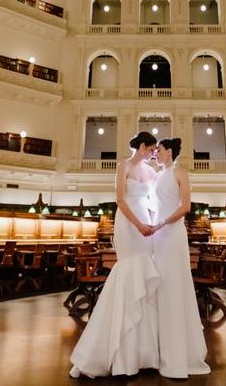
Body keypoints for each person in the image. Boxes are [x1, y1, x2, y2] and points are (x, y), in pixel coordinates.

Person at [70, 132, 161, 377]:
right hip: (128, 225)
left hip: (146, 221)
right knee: (128, 271)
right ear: (142, 146)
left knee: (142, 275)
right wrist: (139, 224)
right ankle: (116, 352)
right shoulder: (124, 167)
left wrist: (153, 221)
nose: (154, 154)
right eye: (152, 149)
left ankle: (143, 352)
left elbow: (156, 198)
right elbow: (120, 200)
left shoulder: (151, 172)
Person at [151, 138, 211, 379]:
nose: (156, 153)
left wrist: (164, 222)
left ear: (169, 152)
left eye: (159, 150)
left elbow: (185, 206)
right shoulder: (157, 175)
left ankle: (178, 351)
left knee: (173, 284)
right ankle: (156, 346)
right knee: (159, 283)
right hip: (157, 232)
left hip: (173, 233)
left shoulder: (180, 172)